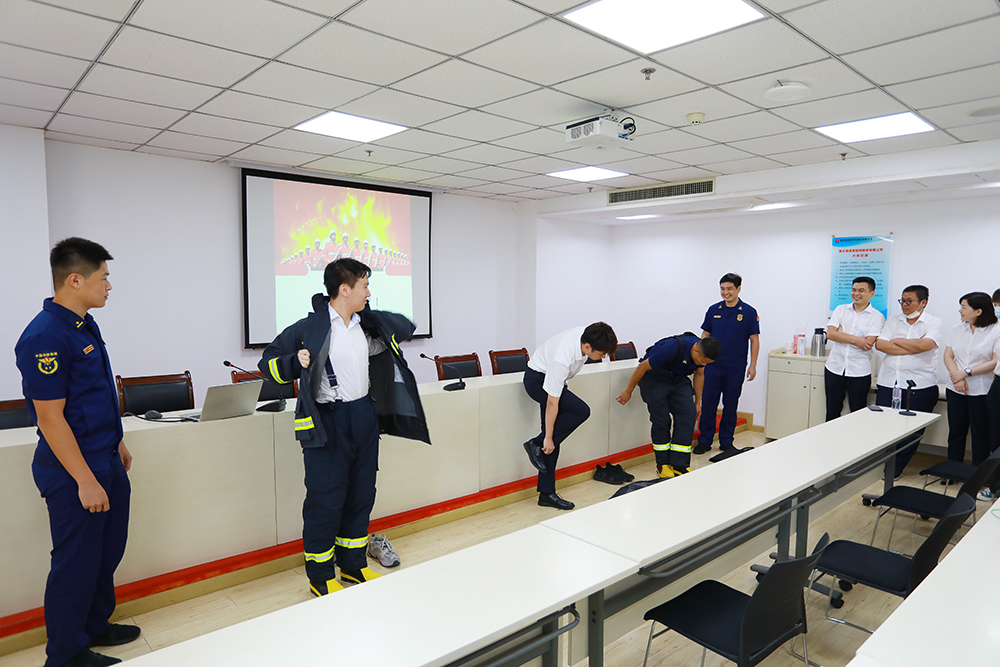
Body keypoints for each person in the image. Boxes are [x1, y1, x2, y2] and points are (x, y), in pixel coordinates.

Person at [259, 257, 429, 596]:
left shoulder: (365, 326)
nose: (369, 292)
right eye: (364, 286)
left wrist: (372, 317)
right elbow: (268, 363)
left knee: (361, 494)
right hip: (328, 421)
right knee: (326, 500)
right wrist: (294, 362)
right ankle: (321, 577)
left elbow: (405, 326)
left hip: (363, 416)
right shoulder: (309, 327)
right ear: (344, 289)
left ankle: (353, 566)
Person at [15, 238, 140, 667]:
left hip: (105, 456)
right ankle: (65, 655)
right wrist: (85, 479)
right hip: (73, 469)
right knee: (76, 562)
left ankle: (95, 624)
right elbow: (50, 419)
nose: (109, 285)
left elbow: (94, 394)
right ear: (75, 280)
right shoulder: (44, 336)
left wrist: (116, 441)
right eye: (103, 277)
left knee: (106, 551)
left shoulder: (84, 325)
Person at [522, 323, 618, 510]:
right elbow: (552, 402)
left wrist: (550, 437)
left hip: (552, 378)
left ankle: (546, 493)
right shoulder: (562, 358)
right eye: (601, 353)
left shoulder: (588, 335)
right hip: (537, 381)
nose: (603, 357)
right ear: (587, 346)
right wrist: (547, 437)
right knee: (580, 411)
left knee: (552, 441)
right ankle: (536, 443)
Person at [617, 334, 722, 478]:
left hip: (677, 379)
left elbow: (699, 375)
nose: (704, 364)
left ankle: (680, 464)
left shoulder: (703, 355)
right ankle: (663, 464)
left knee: (688, 414)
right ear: (696, 349)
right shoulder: (671, 348)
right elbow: (643, 366)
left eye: (707, 362)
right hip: (654, 378)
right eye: (703, 360)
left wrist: (698, 403)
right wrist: (628, 390)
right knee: (662, 421)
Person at [873, 285, 944, 478]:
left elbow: (926, 345)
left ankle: (896, 468)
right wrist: (913, 347)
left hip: (919, 385)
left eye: (909, 301)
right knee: (885, 426)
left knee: (912, 430)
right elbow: (880, 344)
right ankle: (883, 464)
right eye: (902, 301)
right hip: (889, 382)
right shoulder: (893, 320)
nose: (904, 305)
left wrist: (896, 341)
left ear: (923, 302)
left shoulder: (933, 322)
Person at [695, 273, 759, 462]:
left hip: (735, 367)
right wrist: (699, 359)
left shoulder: (748, 312)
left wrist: (753, 365)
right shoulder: (713, 310)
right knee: (709, 404)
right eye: (722, 289)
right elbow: (705, 335)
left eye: (729, 288)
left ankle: (726, 441)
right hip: (713, 366)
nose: (725, 292)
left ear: (739, 289)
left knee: (731, 404)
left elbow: (754, 340)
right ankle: (705, 440)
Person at [943, 291, 998, 465]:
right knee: (956, 432)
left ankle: (977, 474)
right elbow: (948, 356)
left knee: (980, 434)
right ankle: (952, 470)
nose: (960, 311)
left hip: (981, 389)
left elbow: (995, 362)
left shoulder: (996, 330)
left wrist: (966, 372)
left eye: (964, 307)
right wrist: (957, 377)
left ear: (978, 311)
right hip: (955, 387)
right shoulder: (958, 329)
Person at [825, 276, 885, 421]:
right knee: (832, 411)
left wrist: (841, 334)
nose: (856, 293)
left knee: (857, 413)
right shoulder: (840, 309)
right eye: (854, 290)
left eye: (861, 290)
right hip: (834, 368)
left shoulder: (876, 316)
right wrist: (857, 339)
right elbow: (830, 334)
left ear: (872, 293)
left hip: (859, 371)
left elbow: (868, 343)